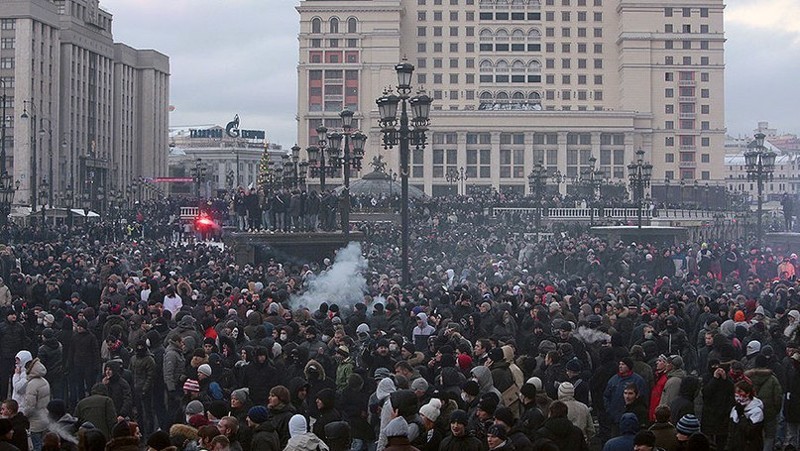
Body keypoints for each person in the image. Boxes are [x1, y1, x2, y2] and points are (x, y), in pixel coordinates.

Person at [729, 380, 764, 451]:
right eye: (736, 394)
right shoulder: (735, 409)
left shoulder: (756, 411)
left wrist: (741, 416)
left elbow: (750, 432)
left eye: (740, 392)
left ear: (748, 393)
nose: (738, 396)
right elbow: (731, 431)